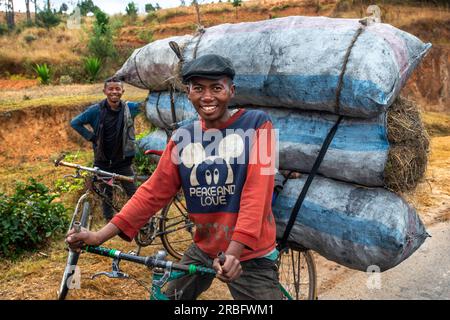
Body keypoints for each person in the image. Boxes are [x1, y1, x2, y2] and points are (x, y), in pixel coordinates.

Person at [66, 54, 282, 300]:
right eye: (198, 89)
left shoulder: (259, 125)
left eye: (216, 88)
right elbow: (152, 192)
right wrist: (98, 236)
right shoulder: (182, 137)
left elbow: (258, 195)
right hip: (205, 247)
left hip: (249, 253)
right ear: (188, 93)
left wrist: (234, 251)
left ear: (231, 91)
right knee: (171, 298)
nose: (208, 97)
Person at [70, 77, 141, 221]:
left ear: (122, 91)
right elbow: (75, 122)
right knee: (106, 195)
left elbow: (146, 106)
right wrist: (91, 137)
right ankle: (110, 222)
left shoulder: (130, 108)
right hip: (103, 163)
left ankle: (140, 221)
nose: (114, 91)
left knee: (134, 194)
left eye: (117, 89)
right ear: (105, 91)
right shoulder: (95, 111)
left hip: (123, 163)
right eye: (111, 89)